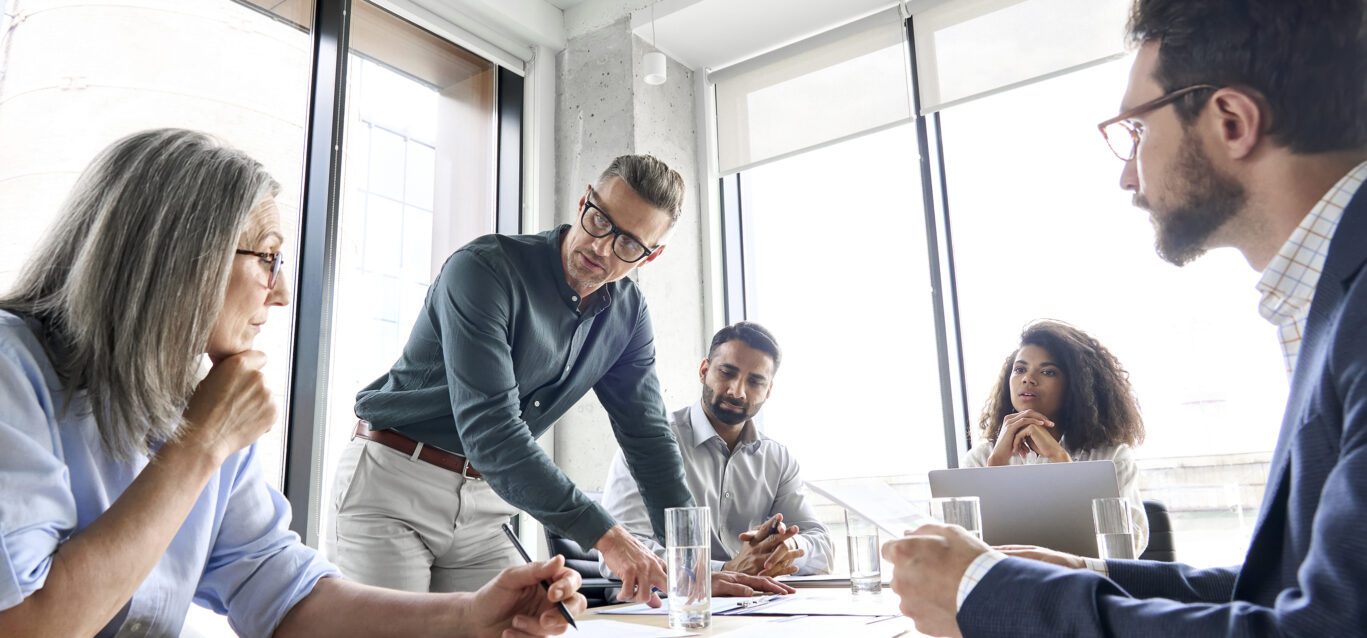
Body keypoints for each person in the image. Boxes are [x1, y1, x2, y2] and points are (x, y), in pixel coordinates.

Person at [881, 0, 1367, 635]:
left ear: (1230, 120)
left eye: (1136, 130)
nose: (1127, 175)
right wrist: (1086, 569)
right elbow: (1283, 593)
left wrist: (990, 595)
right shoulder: (1328, 300)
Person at [0, 128, 586, 637]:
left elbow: (282, 594)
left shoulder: (200, 404)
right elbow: (26, 623)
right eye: (268, 258)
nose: (281, 294)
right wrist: (199, 447)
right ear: (181, 258)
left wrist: (468, 617)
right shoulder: (13, 370)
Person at [332, 155, 788, 604]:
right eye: (600, 221)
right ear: (584, 201)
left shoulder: (628, 315)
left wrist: (695, 565)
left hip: (485, 505)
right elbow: (493, 432)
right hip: (395, 484)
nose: (602, 248)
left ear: (652, 256)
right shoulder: (484, 270)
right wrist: (609, 537)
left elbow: (648, 439)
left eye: (630, 244)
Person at [600, 322, 834, 578]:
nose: (737, 392)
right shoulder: (648, 442)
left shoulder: (778, 459)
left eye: (755, 381)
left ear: (768, 391)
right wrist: (723, 571)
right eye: (727, 372)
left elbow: (823, 548)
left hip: (750, 605)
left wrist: (789, 547)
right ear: (704, 370)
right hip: (665, 606)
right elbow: (621, 552)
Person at [965, 319, 1148, 554]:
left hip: (1082, 585)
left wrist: (1061, 462)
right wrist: (995, 471)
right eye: (1020, 369)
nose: (1027, 379)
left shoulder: (1111, 457)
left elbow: (1126, 548)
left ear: (1076, 385)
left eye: (1047, 371)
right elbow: (964, 554)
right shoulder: (982, 458)